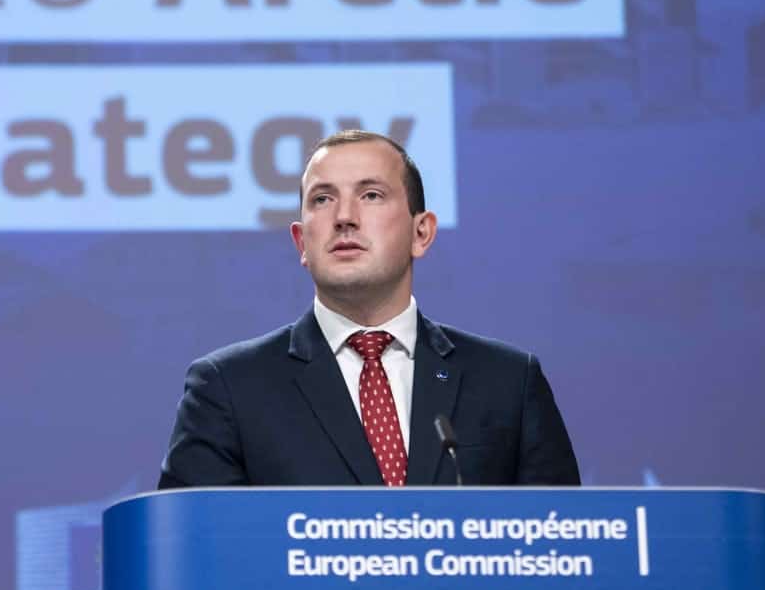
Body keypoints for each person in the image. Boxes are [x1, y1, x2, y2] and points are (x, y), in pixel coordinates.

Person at [158, 130, 579, 488]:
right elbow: (191, 554)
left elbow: (566, 553)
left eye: (371, 195)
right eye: (322, 199)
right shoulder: (228, 388)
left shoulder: (507, 382)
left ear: (422, 232)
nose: (344, 217)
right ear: (302, 242)